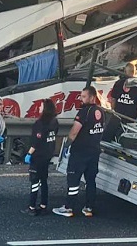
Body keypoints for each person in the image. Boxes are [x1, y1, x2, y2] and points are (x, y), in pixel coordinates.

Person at [54, 86, 105, 218]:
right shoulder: (101, 112)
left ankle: (69, 207)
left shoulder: (84, 112)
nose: (81, 99)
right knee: (91, 180)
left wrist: (67, 145)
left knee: (73, 179)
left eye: (84, 96)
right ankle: (89, 208)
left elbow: (74, 131)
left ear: (92, 97)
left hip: (80, 152)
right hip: (94, 151)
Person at [22, 99, 59, 216]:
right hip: (47, 155)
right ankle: (43, 205)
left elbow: (36, 141)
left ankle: (31, 206)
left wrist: (29, 154)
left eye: (41, 106)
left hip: (38, 156)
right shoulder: (54, 122)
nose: (39, 108)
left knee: (34, 181)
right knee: (44, 180)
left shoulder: (40, 123)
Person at [104, 63, 137, 141]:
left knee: (110, 136)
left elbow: (113, 100)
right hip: (129, 119)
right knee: (123, 139)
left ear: (124, 71)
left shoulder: (118, 83)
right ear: (134, 72)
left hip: (119, 116)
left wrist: (114, 111)